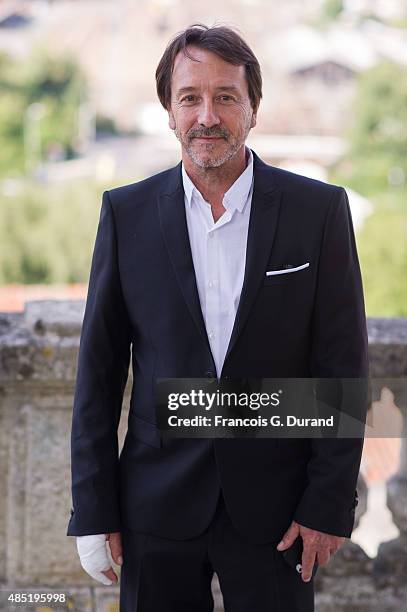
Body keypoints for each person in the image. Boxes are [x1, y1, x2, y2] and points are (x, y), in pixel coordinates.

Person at [67, 23, 369, 612]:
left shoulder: (319, 212)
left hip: (279, 515)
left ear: (253, 108)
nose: (208, 115)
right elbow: (97, 378)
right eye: (190, 98)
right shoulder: (125, 215)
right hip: (154, 509)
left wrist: (328, 504)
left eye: (226, 97)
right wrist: (93, 508)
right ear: (169, 111)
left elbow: (342, 366)